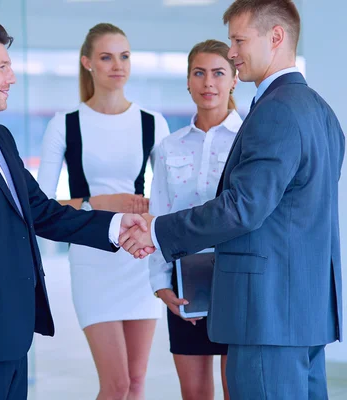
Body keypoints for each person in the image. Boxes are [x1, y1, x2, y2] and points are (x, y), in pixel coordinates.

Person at [0, 20, 151, 400]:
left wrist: (114, 226)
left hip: (14, 333)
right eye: (2, 66)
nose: (12, 78)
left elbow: (41, 211)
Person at [121, 1, 344, 398]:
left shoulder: (277, 110)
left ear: (276, 37)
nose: (234, 52)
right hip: (303, 311)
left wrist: (157, 230)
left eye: (239, 40)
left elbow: (242, 208)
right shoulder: (321, 111)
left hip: (267, 313)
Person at [37, 23, 169, 400]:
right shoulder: (64, 124)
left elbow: (167, 197)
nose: (118, 65)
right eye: (107, 57)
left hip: (139, 258)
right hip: (92, 261)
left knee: (138, 382)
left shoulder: (152, 122)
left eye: (124, 56)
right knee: (116, 385)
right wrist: (99, 204)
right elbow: (40, 207)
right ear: (87, 63)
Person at [148, 39, 240, 400]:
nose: (208, 83)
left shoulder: (249, 140)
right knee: (195, 393)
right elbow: (159, 216)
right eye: (199, 73)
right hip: (185, 281)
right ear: (187, 81)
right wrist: (160, 284)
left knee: (237, 389)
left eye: (219, 73)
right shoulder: (170, 146)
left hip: (237, 277)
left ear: (234, 79)